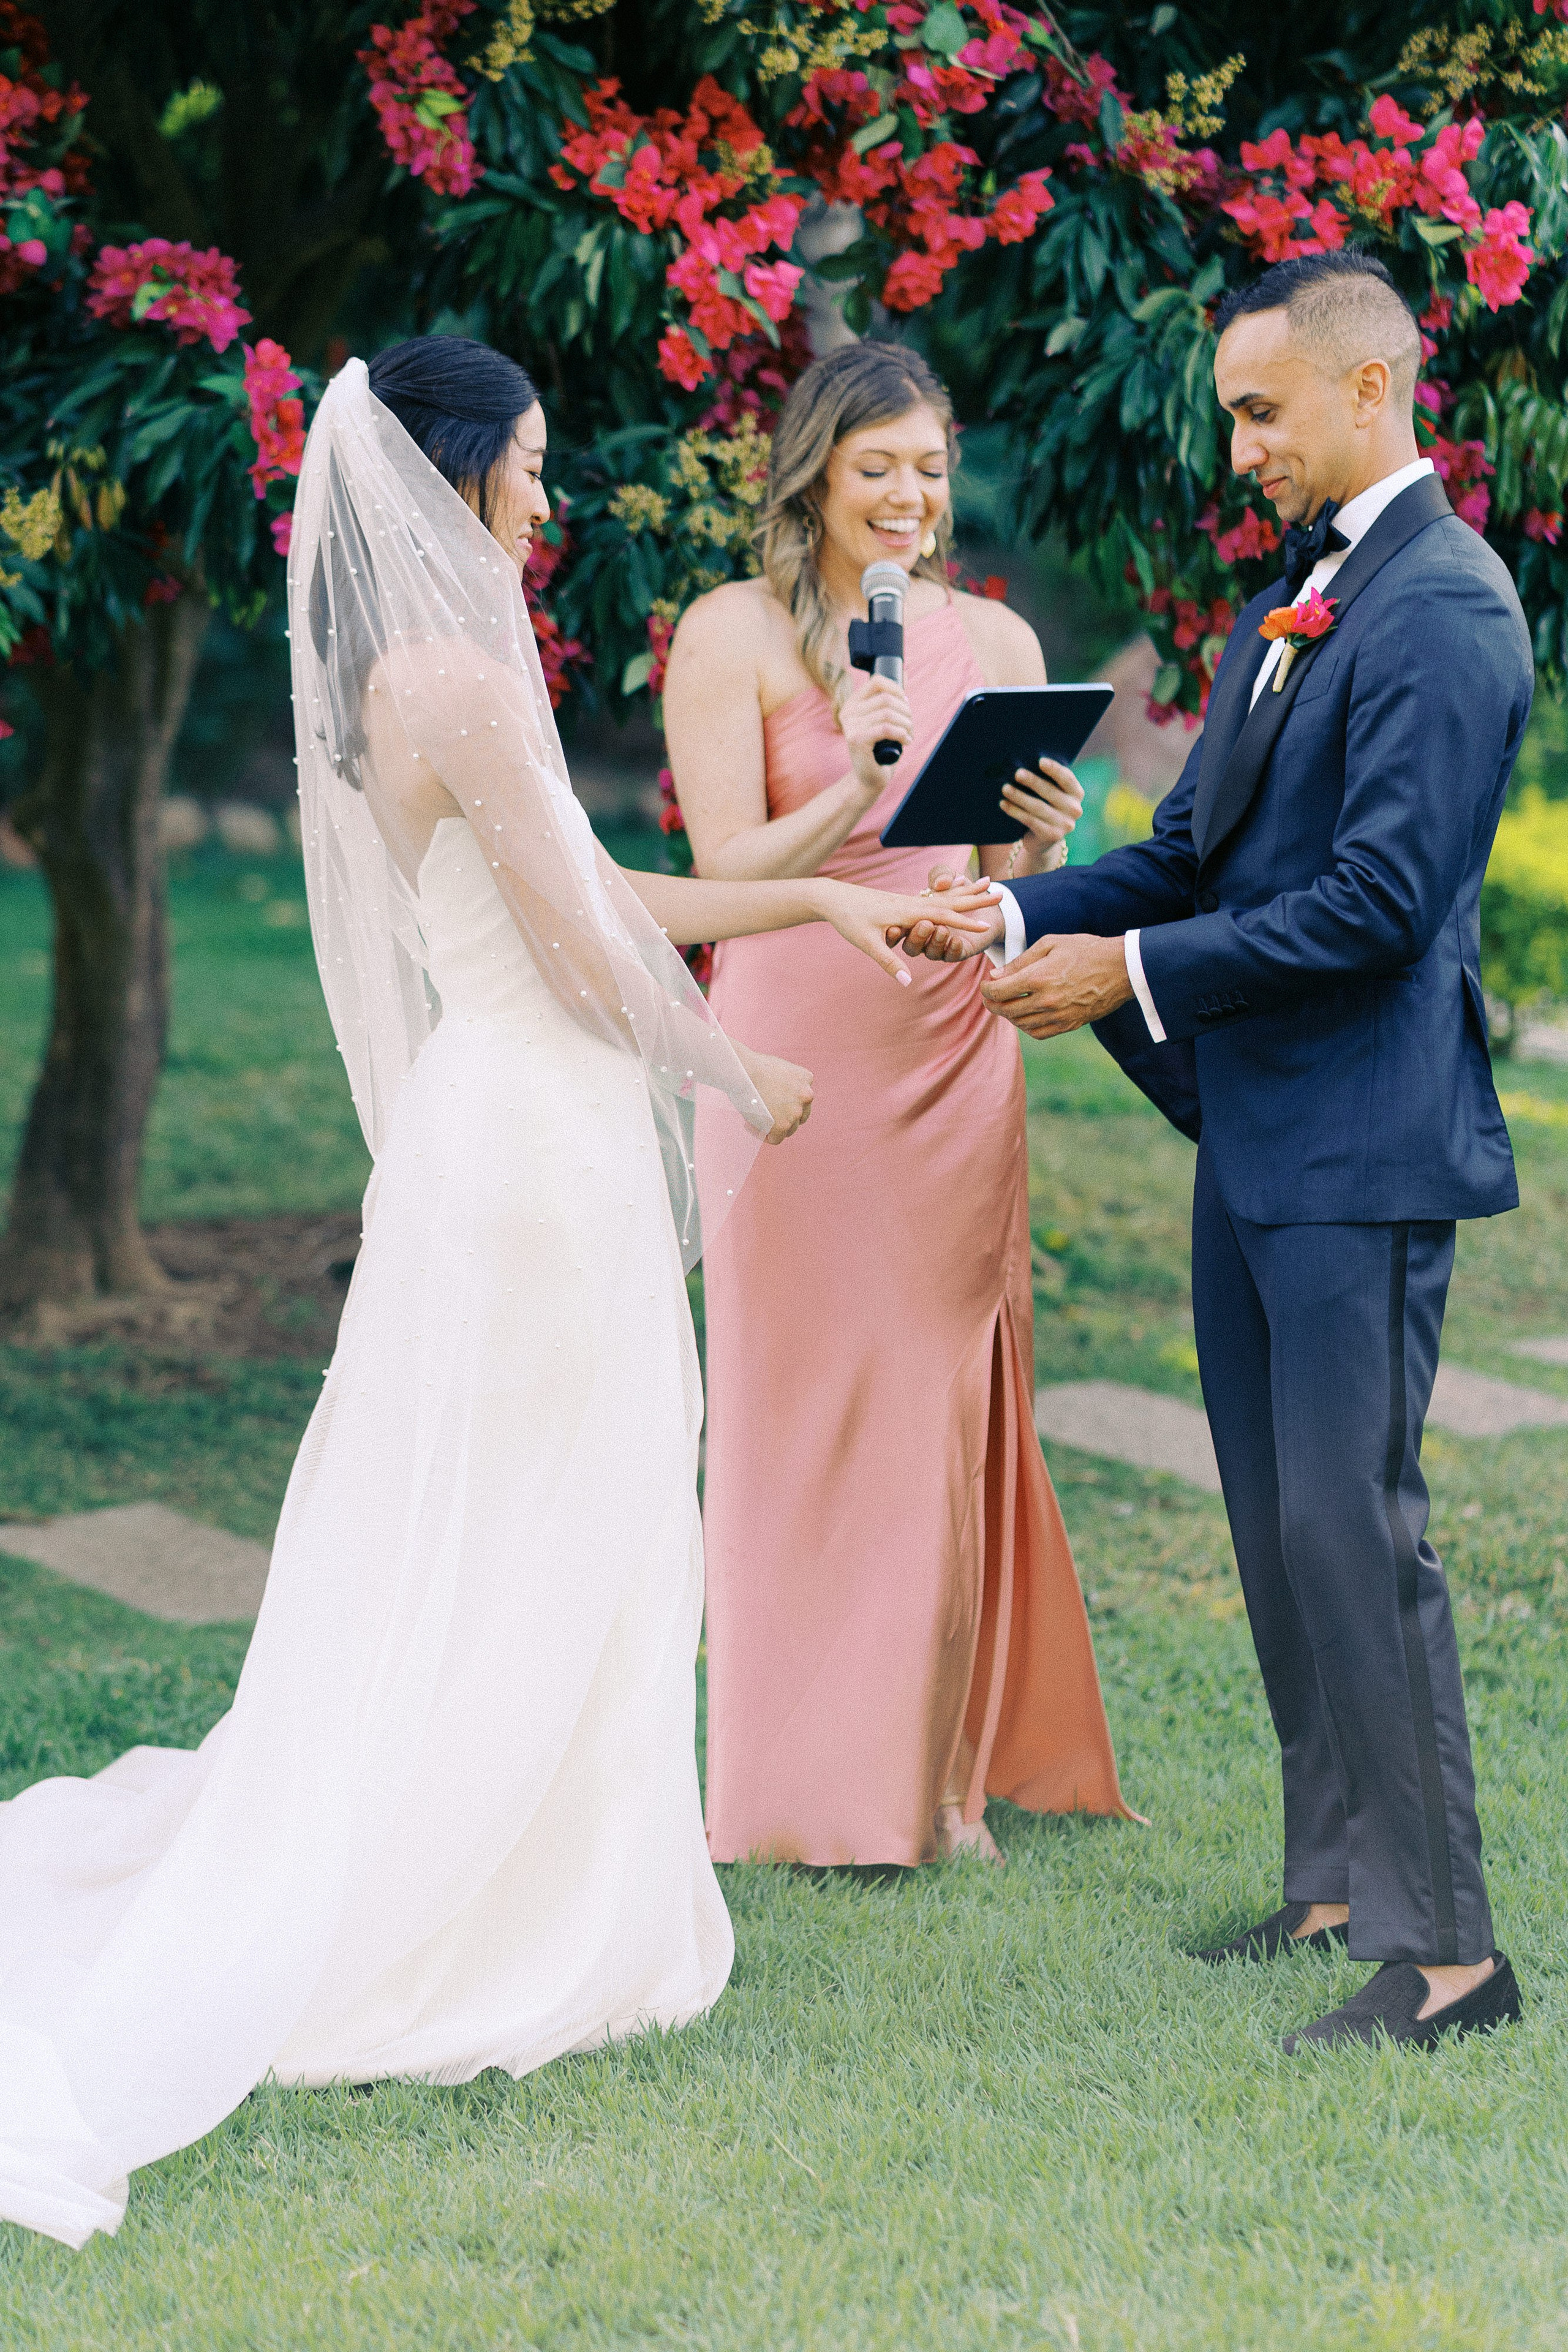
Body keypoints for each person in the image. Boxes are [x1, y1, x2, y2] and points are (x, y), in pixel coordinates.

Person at [0, 338, 998, 2248]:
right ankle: (469, 1906)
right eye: (530, 464)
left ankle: (560, 1880)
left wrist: (828, 898)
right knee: (545, 1521)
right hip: (534, 1152)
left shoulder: (453, 671)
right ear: (457, 471)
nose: (549, 495)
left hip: (527, 1135)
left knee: (565, 1517)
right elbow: (593, 948)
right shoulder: (450, 678)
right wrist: (739, 1072)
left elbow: (625, 890)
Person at [905, 252, 1529, 2051]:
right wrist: (1015, 917)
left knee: (1358, 1525)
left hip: (1363, 1149)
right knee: (1275, 1526)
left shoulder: (1446, 607)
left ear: (1367, 390)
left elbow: (1386, 905)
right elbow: (1186, 856)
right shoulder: (1295, 603)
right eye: (1234, 413)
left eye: (1261, 410)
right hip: (1253, 1143)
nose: (1240, 444)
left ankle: (1451, 1958)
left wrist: (1135, 973)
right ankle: (1334, 1880)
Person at [665, 341, 1131, 1868]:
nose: (910, 497)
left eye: (930, 468)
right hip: (794, 1039)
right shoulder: (728, 632)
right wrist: (847, 789)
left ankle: (931, 1782)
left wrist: (1031, 847)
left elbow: (995, 882)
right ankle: (784, 1782)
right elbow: (717, 882)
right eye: (879, 467)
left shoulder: (991, 642)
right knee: (788, 1406)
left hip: (943, 1044)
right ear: (814, 469)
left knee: (935, 1400)